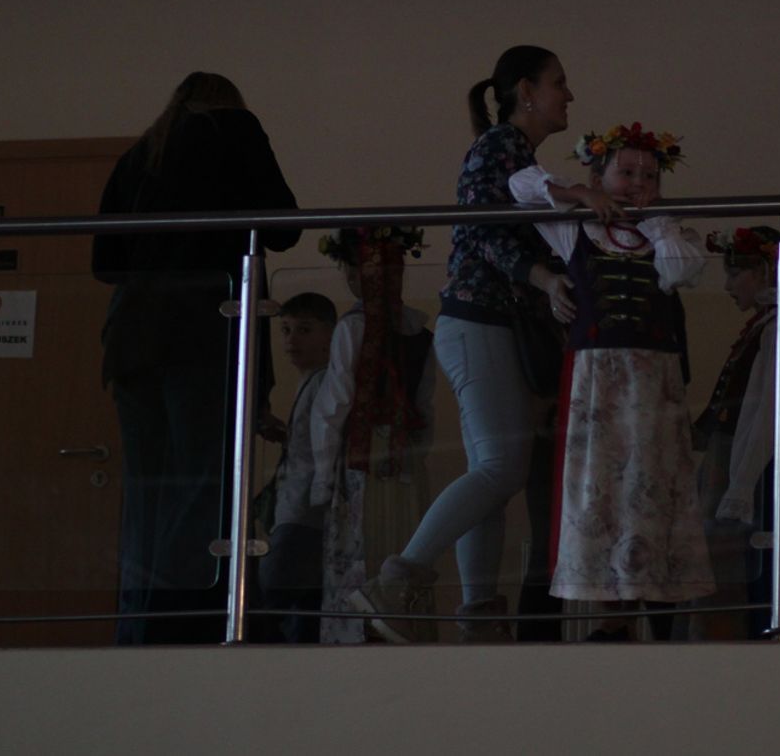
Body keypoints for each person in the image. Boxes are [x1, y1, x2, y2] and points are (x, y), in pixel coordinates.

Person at [358, 45, 614, 644]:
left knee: (491, 474)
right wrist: (543, 278)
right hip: (480, 322)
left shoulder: (519, 157)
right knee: (502, 468)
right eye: (559, 83)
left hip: (489, 325)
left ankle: (479, 613)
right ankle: (397, 581)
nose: (569, 95)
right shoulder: (497, 146)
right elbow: (482, 231)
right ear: (526, 91)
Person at [92, 71, 299, 644]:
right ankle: (186, 628)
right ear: (229, 102)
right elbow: (286, 226)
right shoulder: (236, 130)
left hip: (133, 340)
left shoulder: (142, 152)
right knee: (203, 489)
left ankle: (138, 627)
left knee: (148, 495)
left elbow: (104, 262)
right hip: (207, 332)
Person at [511, 122, 715, 640]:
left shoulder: (671, 233)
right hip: (597, 380)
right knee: (599, 487)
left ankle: (656, 607)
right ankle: (610, 615)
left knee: (652, 485)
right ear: (600, 174)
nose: (638, 184)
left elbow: (679, 272)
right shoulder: (576, 229)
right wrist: (581, 195)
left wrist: (657, 224)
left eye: (649, 176)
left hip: (653, 380)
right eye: (625, 173)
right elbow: (520, 185)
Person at [692, 226, 780, 640]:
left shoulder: (779, 328)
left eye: (736, 274)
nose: (728, 286)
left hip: (758, 468)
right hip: (739, 461)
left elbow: (767, 411)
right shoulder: (766, 325)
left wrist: (740, 484)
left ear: (766, 273)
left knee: (750, 571)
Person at [309, 227, 436, 644]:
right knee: (401, 540)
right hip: (404, 461)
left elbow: (333, 407)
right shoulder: (421, 333)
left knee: (360, 550)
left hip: (360, 461)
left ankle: (359, 637)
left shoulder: (352, 328)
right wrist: (413, 455)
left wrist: (322, 478)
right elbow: (425, 411)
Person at [256, 291, 336, 644]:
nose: (291, 340)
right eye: (286, 330)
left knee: (268, 605)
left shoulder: (323, 382)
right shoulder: (310, 382)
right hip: (295, 511)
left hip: (302, 513)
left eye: (304, 330)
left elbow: (324, 447)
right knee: (300, 615)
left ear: (330, 335)